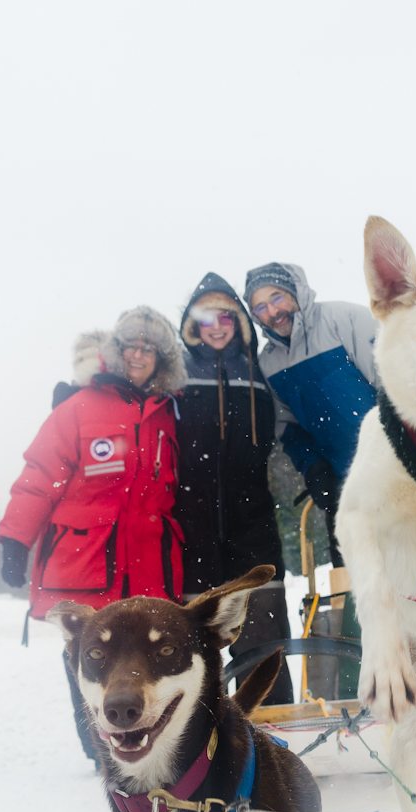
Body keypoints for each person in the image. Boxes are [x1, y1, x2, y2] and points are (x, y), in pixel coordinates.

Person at [0, 306, 187, 760]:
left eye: (150, 348)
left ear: (162, 359)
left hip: (148, 566)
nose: (139, 354)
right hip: (86, 563)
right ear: (115, 352)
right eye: (131, 345)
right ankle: (101, 750)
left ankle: (139, 739)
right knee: (91, 657)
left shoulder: (168, 414)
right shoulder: (79, 407)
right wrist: (14, 539)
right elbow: (40, 473)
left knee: (139, 660)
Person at [177, 273, 293, 705]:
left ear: (240, 321)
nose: (218, 324)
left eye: (227, 314)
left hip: (254, 528)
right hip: (192, 533)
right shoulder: (175, 376)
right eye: (206, 316)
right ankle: (200, 749)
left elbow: (293, 427)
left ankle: (277, 739)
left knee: (265, 646)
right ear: (193, 324)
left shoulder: (261, 372)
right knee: (194, 655)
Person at [243, 263, 379, 565]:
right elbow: (289, 428)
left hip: (395, 472)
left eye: (277, 298)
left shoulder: (345, 319)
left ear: (296, 291)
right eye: (260, 307)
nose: (272, 312)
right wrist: (315, 469)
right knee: (358, 585)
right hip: (344, 492)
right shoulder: (269, 363)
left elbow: (395, 387)